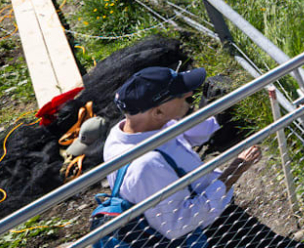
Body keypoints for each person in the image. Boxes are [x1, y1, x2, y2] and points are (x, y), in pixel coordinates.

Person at [96, 65, 261, 244]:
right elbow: (179, 225)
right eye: (178, 94)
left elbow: (183, 134)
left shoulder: (125, 132)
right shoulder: (147, 167)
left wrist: (212, 110)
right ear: (158, 112)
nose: (189, 94)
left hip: (214, 207)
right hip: (211, 232)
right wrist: (234, 172)